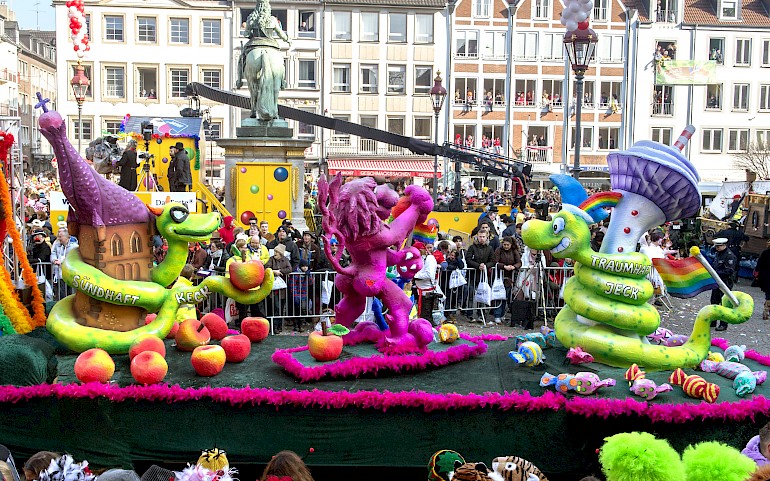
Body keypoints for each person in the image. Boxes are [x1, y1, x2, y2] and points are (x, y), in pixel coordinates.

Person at [492, 236, 522, 325]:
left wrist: (514, 267)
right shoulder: (498, 250)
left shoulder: (514, 251)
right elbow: (495, 261)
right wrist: (503, 266)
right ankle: (497, 315)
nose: (505, 246)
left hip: (509, 278)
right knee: (499, 297)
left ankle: (502, 315)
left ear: (511, 245)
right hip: (499, 277)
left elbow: (519, 262)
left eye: (507, 245)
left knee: (506, 297)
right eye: (504, 244)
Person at [710, 237, 737, 331]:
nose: (717, 248)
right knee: (714, 301)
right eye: (716, 246)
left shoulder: (729, 256)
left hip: (725, 282)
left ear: (724, 245)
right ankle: (713, 321)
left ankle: (723, 324)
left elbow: (729, 271)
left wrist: (716, 273)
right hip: (717, 282)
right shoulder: (719, 254)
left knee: (724, 304)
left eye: (719, 246)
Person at [265, 243, 292, 331]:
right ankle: (274, 326)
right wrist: (273, 271)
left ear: (281, 253)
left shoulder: (285, 260)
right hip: (273, 288)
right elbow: (266, 268)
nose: (275, 253)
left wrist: (280, 271)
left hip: (282, 288)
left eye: (277, 252)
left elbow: (289, 269)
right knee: (275, 306)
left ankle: (279, 326)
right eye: (275, 251)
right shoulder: (271, 259)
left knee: (281, 306)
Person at [413, 241, 440, 324]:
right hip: (419, 290)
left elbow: (429, 274)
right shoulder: (420, 259)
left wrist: (414, 275)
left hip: (427, 292)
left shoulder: (430, 259)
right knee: (420, 316)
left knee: (426, 316)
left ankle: (429, 333)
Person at [50, 229, 78, 300]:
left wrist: (63, 262)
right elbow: (53, 253)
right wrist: (54, 260)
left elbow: (74, 258)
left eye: (61, 236)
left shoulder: (74, 247)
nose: (59, 238)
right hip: (59, 274)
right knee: (61, 293)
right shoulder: (57, 245)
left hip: (70, 274)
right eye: (58, 236)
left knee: (70, 293)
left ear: (67, 237)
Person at [756, 239, 770, 320]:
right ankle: (766, 311)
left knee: (768, 294)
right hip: (767, 276)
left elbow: (759, 264)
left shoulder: (765, 253)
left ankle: (766, 310)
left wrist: (758, 274)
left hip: (765, 276)